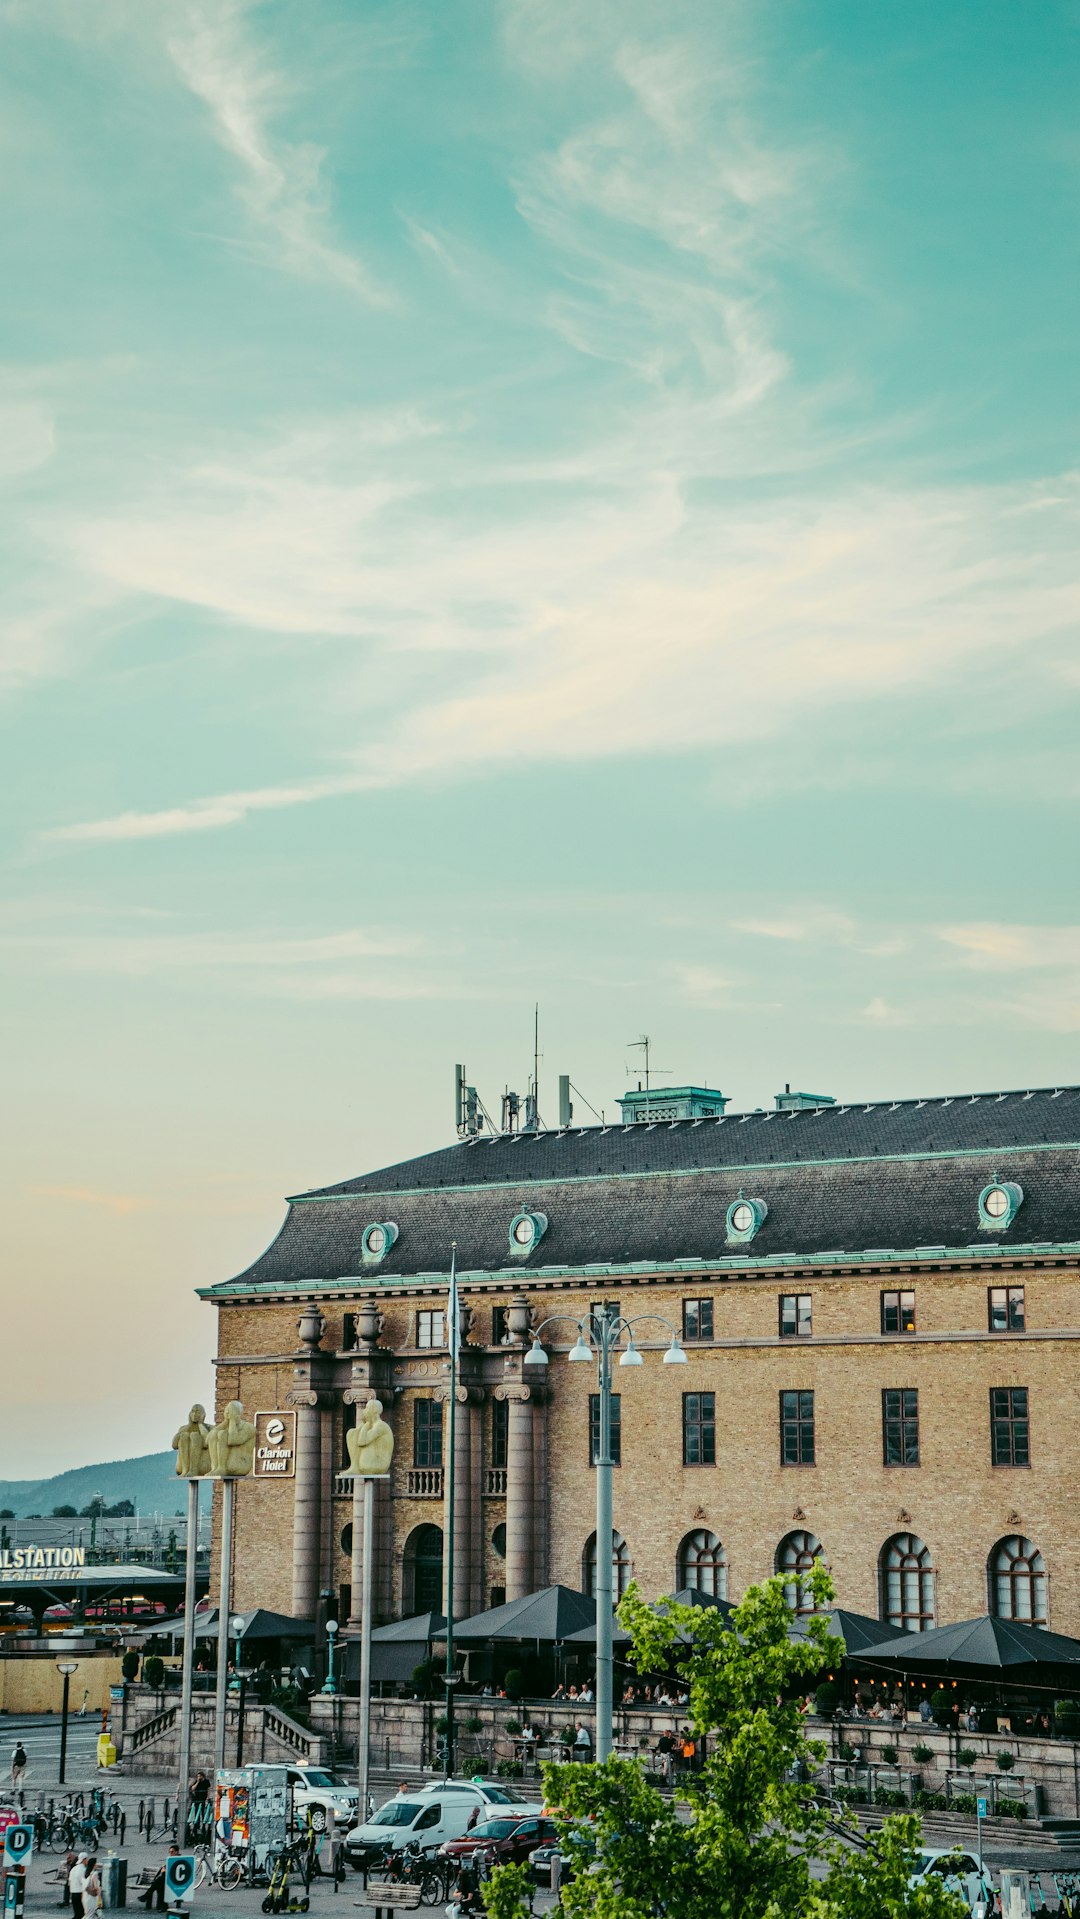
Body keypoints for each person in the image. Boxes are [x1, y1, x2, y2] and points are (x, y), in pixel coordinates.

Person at [138, 1845, 178, 1912]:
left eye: (172, 1852)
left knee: (159, 1882)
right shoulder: (170, 1859)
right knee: (160, 1885)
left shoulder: (179, 1859)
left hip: (173, 1881)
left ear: (176, 1852)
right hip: (166, 1880)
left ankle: (146, 1896)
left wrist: (165, 1870)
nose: (170, 1853)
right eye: (170, 1852)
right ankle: (163, 1905)